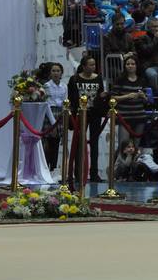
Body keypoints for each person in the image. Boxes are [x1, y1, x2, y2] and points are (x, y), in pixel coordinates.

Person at [67, 54, 108, 184]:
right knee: (79, 143)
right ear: (84, 66)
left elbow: (100, 96)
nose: (93, 67)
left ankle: (94, 173)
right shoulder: (74, 79)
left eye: (94, 64)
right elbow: (71, 98)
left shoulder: (98, 78)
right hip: (80, 114)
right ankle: (78, 173)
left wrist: (103, 98)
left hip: (95, 114)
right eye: (90, 65)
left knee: (94, 143)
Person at [110, 54, 150, 173]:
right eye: (128, 64)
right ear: (125, 66)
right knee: (124, 146)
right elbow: (112, 97)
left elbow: (147, 100)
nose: (130, 66)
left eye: (133, 64)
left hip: (139, 116)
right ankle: (117, 172)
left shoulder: (142, 80)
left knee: (135, 147)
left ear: (137, 66)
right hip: (124, 117)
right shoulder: (120, 80)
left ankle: (132, 172)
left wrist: (143, 96)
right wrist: (127, 96)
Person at [134, 17, 158, 92]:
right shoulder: (141, 39)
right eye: (154, 27)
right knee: (153, 74)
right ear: (148, 28)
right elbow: (146, 52)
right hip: (149, 66)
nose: (157, 29)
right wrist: (156, 40)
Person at [42, 62, 67, 171]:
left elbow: (65, 101)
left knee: (56, 143)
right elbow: (46, 103)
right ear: (50, 73)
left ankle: (54, 169)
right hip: (49, 113)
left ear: (61, 73)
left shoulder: (64, 86)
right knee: (47, 143)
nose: (56, 73)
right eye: (53, 71)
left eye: (58, 71)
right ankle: (46, 168)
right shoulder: (46, 86)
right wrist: (53, 122)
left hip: (60, 114)